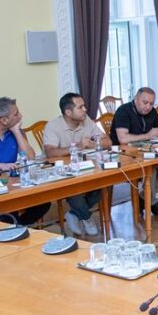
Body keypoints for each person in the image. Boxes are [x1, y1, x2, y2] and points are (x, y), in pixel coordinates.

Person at [0, 97, 50, 225]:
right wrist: (0, 165)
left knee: (43, 202)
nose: (20, 116)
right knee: (9, 209)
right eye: (16, 114)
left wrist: (16, 132)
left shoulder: (14, 130)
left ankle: (20, 227)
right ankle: (16, 230)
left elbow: (30, 157)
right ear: (4, 120)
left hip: (12, 182)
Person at [42, 93, 111, 235]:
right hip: (64, 172)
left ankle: (74, 214)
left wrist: (93, 144)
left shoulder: (87, 122)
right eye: (80, 107)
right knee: (75, 187)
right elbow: (50, 152)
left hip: (88, 167)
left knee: (108, 179)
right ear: (68, 112)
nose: (85, 109)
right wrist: (77, 147)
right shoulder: (53, 126)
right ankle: (86, 216)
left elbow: (108, 142)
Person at [110, 87, 158, 216]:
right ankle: (152, 202)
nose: (148, 107)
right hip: (125, 155)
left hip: (147, 152)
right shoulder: (123, 111)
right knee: (150, 171)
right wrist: (147, 135)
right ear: (136, 100)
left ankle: (143, 197)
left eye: (151, 103)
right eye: (145, 102)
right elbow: (123, 139)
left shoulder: (151, 112)